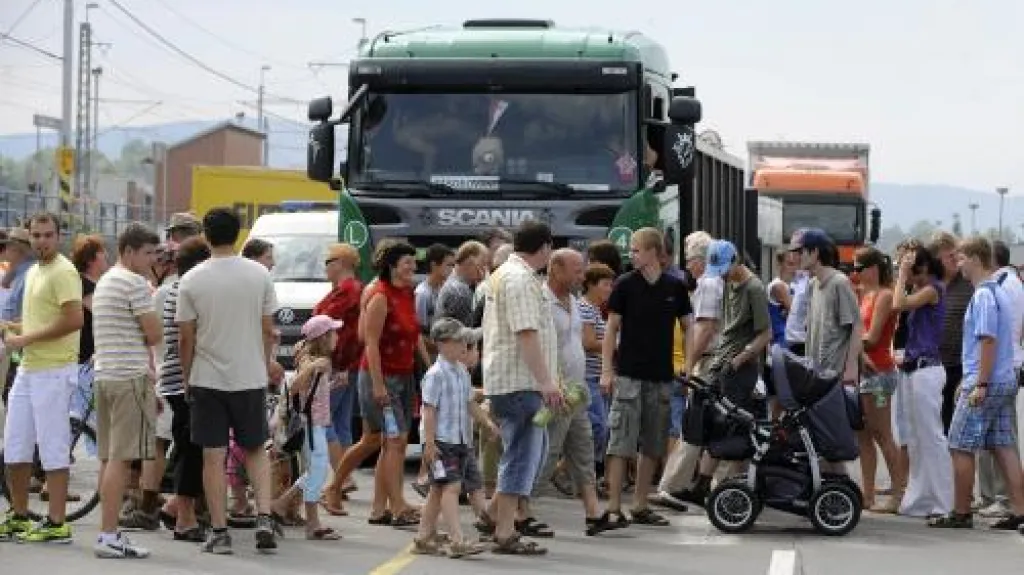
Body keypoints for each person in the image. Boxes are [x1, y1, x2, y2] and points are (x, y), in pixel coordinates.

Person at [176, 207, 281, 554]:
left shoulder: (191, 279)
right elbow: (269, 329)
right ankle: (264, 517)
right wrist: (265, 362)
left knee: (213, 455)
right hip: (249, 375)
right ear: (239, 235)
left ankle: (219, 531)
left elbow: (185, 337)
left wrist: (188, 376)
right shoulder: (259, 275)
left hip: (208, 378)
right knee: (255, 449)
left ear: (205, 235)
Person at [929, 236, 1024, 531]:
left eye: (961, 259)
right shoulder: (1000, 292)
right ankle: (1020, 511)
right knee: (1003, 445)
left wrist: (978, 383)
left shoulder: (983, 296)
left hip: (986, 382)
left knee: (959, 445)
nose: (958, 265)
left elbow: (987, 340)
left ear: (976, 260)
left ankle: (961, 511)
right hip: (1004, 378)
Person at [600, 227, 692, 528]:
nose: (632, 254)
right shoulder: (625, 284)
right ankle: (614, 505)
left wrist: (688, 364)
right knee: (620, 441)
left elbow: (688, 325)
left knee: (653, 443)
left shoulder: (674, 287)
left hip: (662, 377)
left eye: (637, 249)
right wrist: (607, 370)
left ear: (654, 252)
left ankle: (639, 504)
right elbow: (612, 328)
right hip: (628, 375)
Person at [0, 212, 84, 543]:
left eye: (48, 235)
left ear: (58, 237)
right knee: (15, 447)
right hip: (29, 368)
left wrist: (25, 339)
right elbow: (41, 320)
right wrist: (15, 329)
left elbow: (74, 319)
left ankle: (56, 523)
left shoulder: (63, 271)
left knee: (52, 448)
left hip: (54, 369)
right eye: (36, 235)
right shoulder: (34, 270)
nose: (42, 241)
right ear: (29, 238)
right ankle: (19, 516)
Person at [481, 220, 563, 556]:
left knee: (531, 452)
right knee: (521, 456)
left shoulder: (508, 274)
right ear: (544, 248)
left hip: (516, 380)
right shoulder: (519, 280)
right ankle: (504, 531)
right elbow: (526, 333)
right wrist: (546, 382)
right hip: (520, 382)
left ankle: (491, 516)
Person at [675, 239, 772, 507]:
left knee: (730, 424)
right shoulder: (729, 283)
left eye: (726, 269)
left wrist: (743, 356)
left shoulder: (753, 288)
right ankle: (702, 484)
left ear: (736, 260)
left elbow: (766, 334)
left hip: (740, 366)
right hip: (722, 362)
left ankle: (726, 485)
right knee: (713, 421)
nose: (725, 275)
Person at [92, 223, 163, 559]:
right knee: (121, 460)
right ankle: (108, 535)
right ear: (129, 251)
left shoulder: (106, 280)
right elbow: (154, 334)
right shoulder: (135, 283)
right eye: (148, 253)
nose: (153, 260)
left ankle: (109, 532)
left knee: (109, 459)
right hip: (129, 376)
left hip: (105, 375)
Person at [358, 239, 430, 527]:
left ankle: (379, 508)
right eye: (407, 263)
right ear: (392, 267)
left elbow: (414, 336)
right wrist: (378, 386)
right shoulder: (380, 296)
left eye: (413, 262)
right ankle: (397, 504)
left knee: (392, 443)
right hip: (382, 377)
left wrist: (428, 367)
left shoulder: (407, 293)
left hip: (404, 376)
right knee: (396, 441)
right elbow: (370, 343)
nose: (413, 267)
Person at [413, 317, 495, 558]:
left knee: (438, 490)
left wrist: (486, 422)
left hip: (461, 440)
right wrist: (429, 443)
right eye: (460, 341)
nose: (465, 345)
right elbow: (428, 410)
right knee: (451, 487)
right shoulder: (435, 374)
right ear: (443, 344)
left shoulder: (461, 371)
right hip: (441, 440)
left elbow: (469, 402)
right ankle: (457, 539)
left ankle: (423, 537)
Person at [270, 315, 344, 540]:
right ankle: (282, 506)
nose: (337, 337)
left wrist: (332, 384)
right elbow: (294, 387)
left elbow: (312, 394)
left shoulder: (320, 361)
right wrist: (313, 367)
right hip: (311, 426)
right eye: (333, 332)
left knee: (316, 470)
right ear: (323, 337)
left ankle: (311, 522)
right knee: (318, 470)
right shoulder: (311, 360)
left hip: (317, 423)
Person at [891, 244, 951, 518]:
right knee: (915, 439)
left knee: (932, 437)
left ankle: (944, 501)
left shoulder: (933, 290)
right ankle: (921, 499)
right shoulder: (921, 289)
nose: (909, 279)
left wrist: (902, 273)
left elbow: (897, 304)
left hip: (927, 370)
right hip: (913, 369)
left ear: (923, 268)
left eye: (913, 272)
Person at [158, 237, 211, 541]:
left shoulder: (180, 289)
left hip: (177, 381)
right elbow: (185, 340)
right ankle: (185, 519)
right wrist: (190, 380)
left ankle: (175, 506)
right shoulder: (185, 292)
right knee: (191, 450)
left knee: (189, 448)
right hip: (183, 382)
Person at [975, 240, 1024, 519]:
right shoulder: (1013, 282)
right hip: (1009, 364)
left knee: (999, 439)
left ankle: (1003, 498)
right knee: (997, 438)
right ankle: (997, 497)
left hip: (1000, 368)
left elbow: (991, 333)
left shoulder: (1000, 285)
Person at [316, 243, 365, 516]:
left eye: (327, 261)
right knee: (342, 424)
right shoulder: (348, 290)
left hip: (338, 365)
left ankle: (343, 478)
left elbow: (335, 329)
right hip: (347, 365)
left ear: (340, 262)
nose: (324, 266)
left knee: (324, 421)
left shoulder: (347, 291)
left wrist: (341, 366)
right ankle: (345, 477)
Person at [853, 246, 903, 513]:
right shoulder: (863, 294)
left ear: (872, 269)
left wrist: (850, 342)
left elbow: (872, 338)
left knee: (883, 434)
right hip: (864, 371)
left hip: (880, 372)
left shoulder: (883, 295)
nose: (854, 273)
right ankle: (868, 493)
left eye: (859, 268)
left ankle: (897, 494)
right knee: (863, 435)